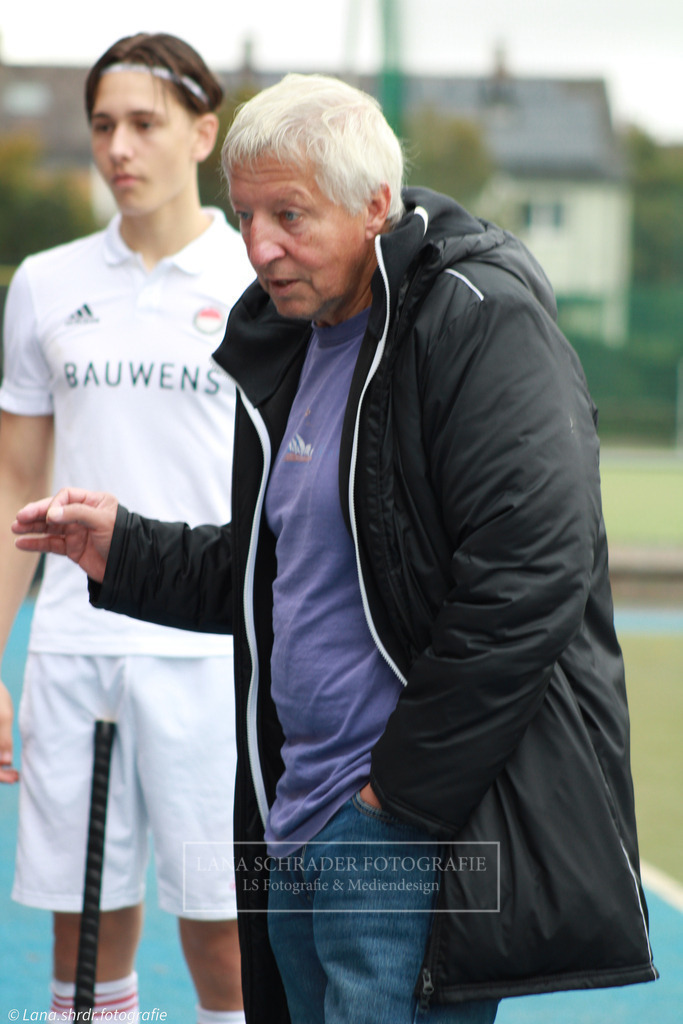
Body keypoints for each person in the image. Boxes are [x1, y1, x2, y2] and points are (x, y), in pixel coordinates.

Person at [13, 73, 658, 1024]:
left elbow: (530, 579)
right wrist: (128, 552)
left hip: (401, 831)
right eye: (244, 217)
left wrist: (391, 805)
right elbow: (287, 575)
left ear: (375, 207)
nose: (260, 248)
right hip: (295, 820)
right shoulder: (292, 339)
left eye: (290, 215)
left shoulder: (477, 319)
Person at [0, 33, 255, 1024]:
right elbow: (17, 478)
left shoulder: (254, 280)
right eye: (102, 124)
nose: (119, 147)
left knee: (226, 944)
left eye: (144, 123)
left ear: (202, 131)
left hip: (209, 651)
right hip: (76, 648)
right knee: (85, 942)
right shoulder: (46, 282)